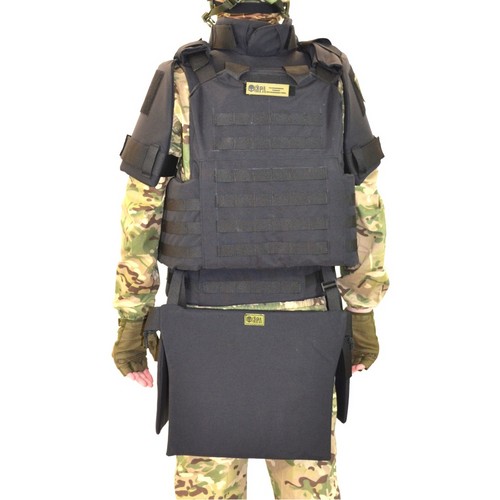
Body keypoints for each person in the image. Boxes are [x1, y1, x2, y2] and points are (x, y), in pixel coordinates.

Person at [112, 0, 389, 498]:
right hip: (307, 315)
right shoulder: (332, 77)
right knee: (308, 488)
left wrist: (132, 321)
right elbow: (363, 201)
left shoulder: (180, 77)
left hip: (203, 320)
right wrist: (363, 311)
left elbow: (142, 209)